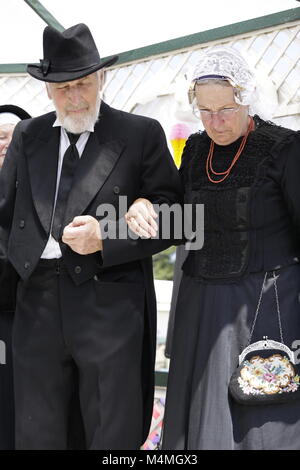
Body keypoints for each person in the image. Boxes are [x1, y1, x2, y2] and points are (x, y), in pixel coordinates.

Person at [0, 23, 182, 450]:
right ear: (47, 90)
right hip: (37, 303)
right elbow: (4, 219)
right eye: (64, 88)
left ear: (102, 78)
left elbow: (178, 219)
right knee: (37, 430)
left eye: (84, 84)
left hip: (109, 302)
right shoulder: (28, 136)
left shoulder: (140, 133)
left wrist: (108, 236)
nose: (76, 97)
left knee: (110, 431)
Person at [126, 47, 300, 450]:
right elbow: (179, 216)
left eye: (224, 109)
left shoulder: (285, 149)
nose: (215, 121)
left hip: (266, 309)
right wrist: (142, 204)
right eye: (205, 111)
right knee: (201, 425)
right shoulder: (195, 150)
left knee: (261, 421)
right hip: (201, 306)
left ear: (246, 99)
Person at [0, 104, 31, 449]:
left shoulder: (45, 190)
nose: (6, 143)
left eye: (14, 136)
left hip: (34, 320)